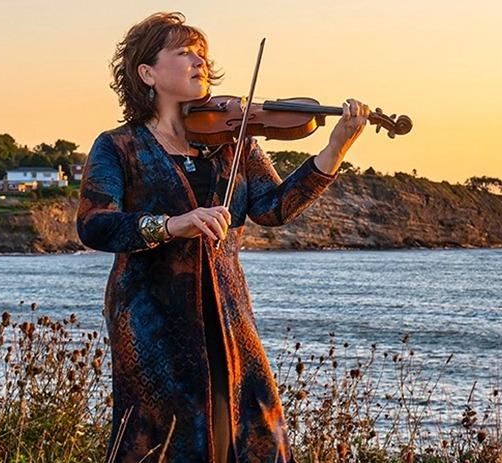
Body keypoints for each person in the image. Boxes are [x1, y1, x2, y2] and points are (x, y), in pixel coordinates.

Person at [76, 11, 369, 463]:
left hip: (228, 312)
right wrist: (175, 224)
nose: (199, 61)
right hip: (151, 318)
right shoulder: (119, 146)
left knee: (251, 427)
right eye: (184, 52)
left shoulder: (234, 141)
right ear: (147, 73)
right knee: (164, 438)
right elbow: (95, 224)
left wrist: (335, 149)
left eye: (203, 53)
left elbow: (273, 208)